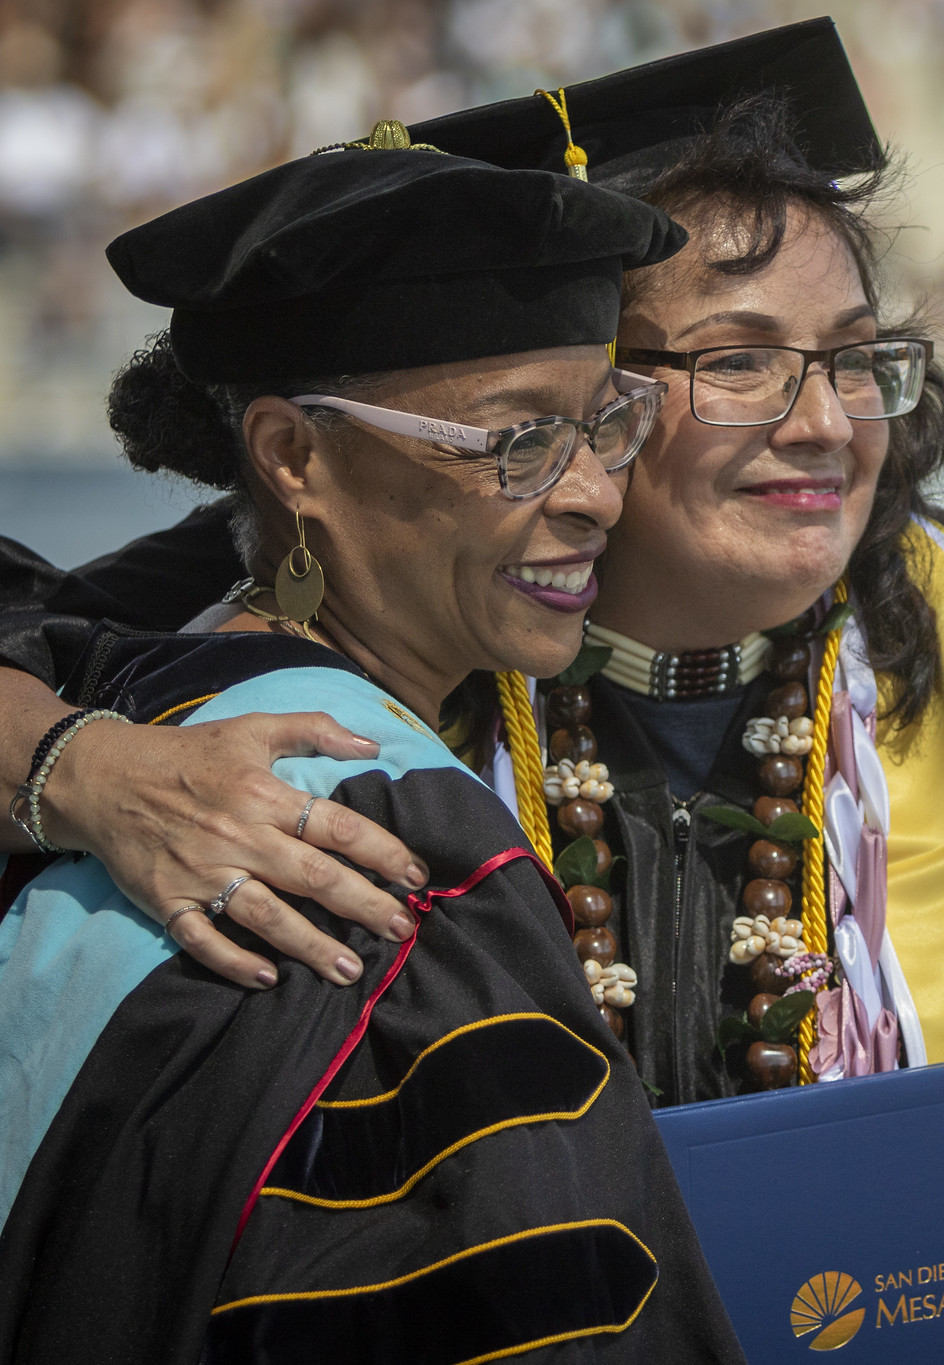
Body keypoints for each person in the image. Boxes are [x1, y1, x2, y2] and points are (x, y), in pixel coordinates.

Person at [0, 23, 944, 1364]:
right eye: (740, 362)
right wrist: (75, 764)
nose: (824, 421)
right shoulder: (360, 615)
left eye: (852, 356)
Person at [0, 131, 747, 1364]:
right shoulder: (358, 841)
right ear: (296, 457)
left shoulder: (115, 707)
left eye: (605, 423)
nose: (596, 495)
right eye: (516, 443)